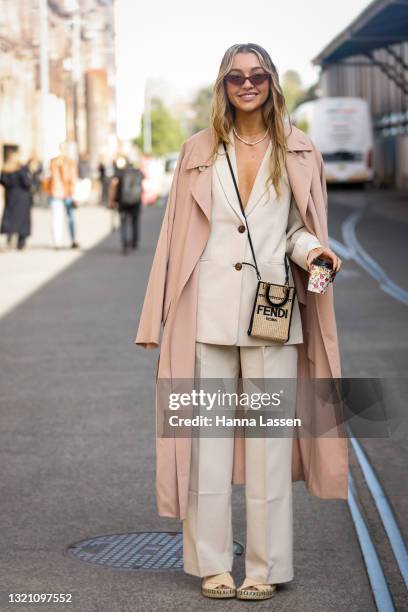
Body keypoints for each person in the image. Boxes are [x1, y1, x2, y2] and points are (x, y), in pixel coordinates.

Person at [134, 43, 347, 601]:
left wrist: (315, 255)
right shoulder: (197, 151)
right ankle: (212, 564)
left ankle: (265, 567)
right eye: (235, 76)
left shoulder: (299, 150)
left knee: (270, 445)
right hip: (206, 313)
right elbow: (173, 237)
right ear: (223, 85)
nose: (246, 84)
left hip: (273, 316)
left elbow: (299, 229)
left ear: (272, 82)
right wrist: (156, 315)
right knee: (205, 442)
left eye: (256, 75)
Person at [108, 157, 144, 255]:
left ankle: (125, 244)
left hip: (123, 203)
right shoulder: (138, 173)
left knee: (124, 223)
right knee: (135, 222)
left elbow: (113, 186)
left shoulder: (119, 173)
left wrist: (111, 201)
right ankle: (135, 242)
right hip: (136, 202)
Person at [0, 147, 33, 250]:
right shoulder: (22, 169)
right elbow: (27, 182)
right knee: (23, 220)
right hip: (22, 197)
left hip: (10, 196)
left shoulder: (5, 169)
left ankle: (10, 234)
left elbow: (3, 181)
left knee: (10, 216)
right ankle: (21, 242)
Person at [48, 143, 79, 249]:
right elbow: (73, 178)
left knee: (57, 218)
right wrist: (74, 193)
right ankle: (72, 239)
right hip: (66, 192)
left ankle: (58, 241)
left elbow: (48, 176)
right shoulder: (70, 162)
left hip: (56, 192)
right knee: (69, 217)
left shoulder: (53, 162)